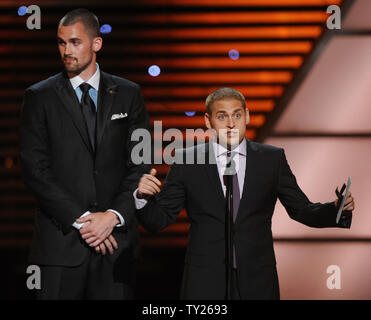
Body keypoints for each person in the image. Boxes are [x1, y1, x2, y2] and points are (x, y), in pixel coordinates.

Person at [134, 87, 355, 300]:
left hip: (258, 279)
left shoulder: (271, 159)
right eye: (222, 117)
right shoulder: (187, 160)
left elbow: (302, 210)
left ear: (247, 116)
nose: (231, 124)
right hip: (205, 280)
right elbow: (159, 220)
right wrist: (143, 198)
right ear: (207, 121)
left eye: (237, 115)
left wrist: (335, 210)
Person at [19, 8, 149, 299]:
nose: (66, 50)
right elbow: (35, 170)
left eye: (75, 42)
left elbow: (139, 164)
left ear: (96, 44)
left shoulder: (129, 94)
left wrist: (112, 217)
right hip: (60, 247)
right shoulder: (39, 97)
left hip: (116, 246)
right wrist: (84, 220)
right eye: (61, 42)